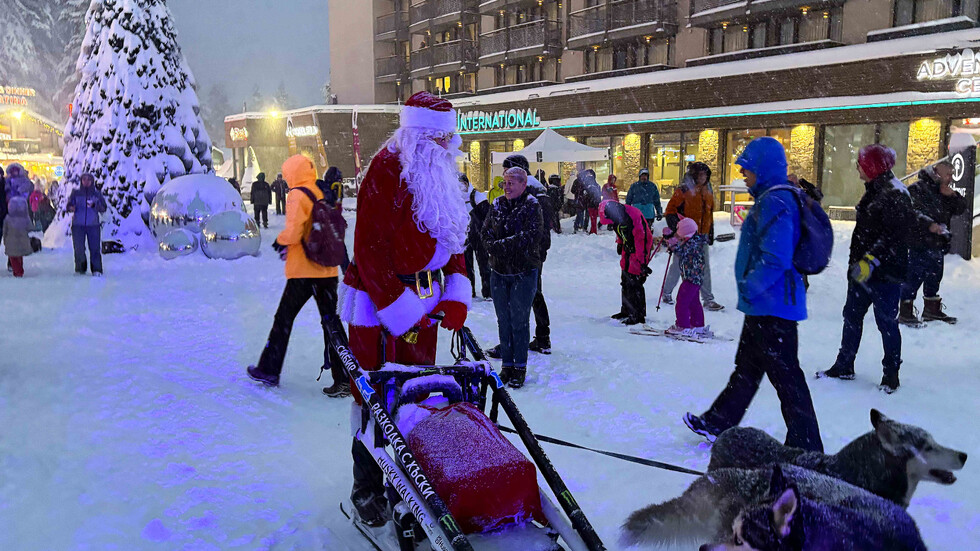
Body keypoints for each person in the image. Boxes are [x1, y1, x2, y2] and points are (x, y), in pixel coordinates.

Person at [337, 92, 472, 527]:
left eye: (447, 139)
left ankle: (407, 477)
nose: (444, 146)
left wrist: (454, 291)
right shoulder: (386, 169)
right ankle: (366, 484)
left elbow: (453, 236)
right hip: (382, 307)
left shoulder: (441, 173)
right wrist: (399, 307)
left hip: (426, 308)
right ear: (415, 133)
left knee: (418, 394)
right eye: (436, 138)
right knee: (377, 395)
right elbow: (369, 250)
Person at [684, 137, 822, 453]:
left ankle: (807, 443)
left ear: (762, 169)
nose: (743, 176)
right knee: (748, 369)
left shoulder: (776, 201)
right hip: (765, 305)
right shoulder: (773, 198)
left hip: (773, 306)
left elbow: (776, 257)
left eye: (747, 171)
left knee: (787, 378)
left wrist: (750, 286)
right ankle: (718, 421)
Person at [247, 155, 350, 397]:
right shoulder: (321, 190)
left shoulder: (297, 194)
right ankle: (345, 378)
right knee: (331, 324)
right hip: (327, 271)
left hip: (304, 273)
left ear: (292, 172)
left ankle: (269, 368)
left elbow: (293, 232)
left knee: (283, 320)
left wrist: (280, 241)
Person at [818, 144, 914, 394]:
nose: (857, 167)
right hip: (862, 272)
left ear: (872, 166)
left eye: (861, 163)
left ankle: (891, 375)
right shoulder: (875, 190)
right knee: (851, 317)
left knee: (886, 324)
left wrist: (871, 260)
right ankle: (844, 364)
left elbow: (895, 236)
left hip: (884, 275)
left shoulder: (895, 193)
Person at [482, 167, 544, 387]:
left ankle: (519, 366)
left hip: (523, 271)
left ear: (523, 184)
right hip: (499, 272)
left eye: (511, 183)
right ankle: (506, 365)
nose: (506, 187)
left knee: (519, 320)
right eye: (505, 182)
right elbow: (485, 232)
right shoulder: (497, 204)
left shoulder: (531, 206)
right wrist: (494, 247)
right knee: (503, 321)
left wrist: (501, 246)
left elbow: (531, 236)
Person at [899, 161, 966, 325]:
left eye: (951, 174)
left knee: (935, 275)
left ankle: (931, 309)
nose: (950, 178)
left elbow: (961, 209)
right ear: (936, 173)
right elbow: (911, 212)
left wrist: (953, 196)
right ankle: (905, 310)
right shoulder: (918, 189)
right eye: (948, 175)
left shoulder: (944, 191)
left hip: (937, 242)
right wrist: (929, 224)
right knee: (915, 275)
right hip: (919, 241)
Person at [501, 154, 553, 354]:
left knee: (520, 296)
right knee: (533, 293)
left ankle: (516, 341)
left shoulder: (525, 189)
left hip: (524, 250)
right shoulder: (538, 188)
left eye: (507, 170)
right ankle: (542, 337)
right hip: (536, 249)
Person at [662, 162, 724, 311]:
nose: (703, 177)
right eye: (700, 175)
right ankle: (666, 292)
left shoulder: (707, 191)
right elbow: (670, 212)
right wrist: (679, 229)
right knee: (678, 265)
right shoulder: (683, 190)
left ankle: (708, 299)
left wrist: (710, 233)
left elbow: (709, 214)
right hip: (686, 237)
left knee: (704, 267)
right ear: (694, 175)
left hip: (701, 236)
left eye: (705, 175)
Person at [599, 199, 653, 326]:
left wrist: (642, 262)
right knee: (625, 279)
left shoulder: (632, 215)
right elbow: (620, 230)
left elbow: (642, 238)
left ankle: (638, 314)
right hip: (628, 246)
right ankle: (626, 310)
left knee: (635, 281)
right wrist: (620, 243)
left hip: (640, 246)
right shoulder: (615, 215)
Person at [663, 218, 711, 338]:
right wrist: (672, 241)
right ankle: (697, 324)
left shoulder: (692, 244)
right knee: (694, 302)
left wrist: (672, 243)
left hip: (691, 279)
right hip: (695, 278)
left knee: (682, 302)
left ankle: (682, 326)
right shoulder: (696, 241)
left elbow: (681, 252)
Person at [66, 173, 108, 276]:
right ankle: (80, 269)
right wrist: (71, 207)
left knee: (94, 248)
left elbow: (103, 208)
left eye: (88, 180)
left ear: (92, 181)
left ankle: (96, 269)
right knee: (79, 248)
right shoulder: (76, 193)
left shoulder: (96, 194)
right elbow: (68, 206)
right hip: (78, 225)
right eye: (84, 179)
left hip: (93, 225)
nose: (86, 182)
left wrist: (95, 205)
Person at [461, 174, 492, 300]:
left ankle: (488, 291)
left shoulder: (477, 196)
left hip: (479, 236)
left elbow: (488, 215)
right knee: (466, 266)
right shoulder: (455, 198)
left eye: (463, 183)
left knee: (484, 264)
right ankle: (470, 291)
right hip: (464, 237)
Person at [3, 196, 32, 277]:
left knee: (13, 257)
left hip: (11, 241)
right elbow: (30, 228)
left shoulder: (8, 218)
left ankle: (17, 271)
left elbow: (5, 230)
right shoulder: (25, 218)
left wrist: (4, 239)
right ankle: (19, 270)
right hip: (23, 241)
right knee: (19, 256)